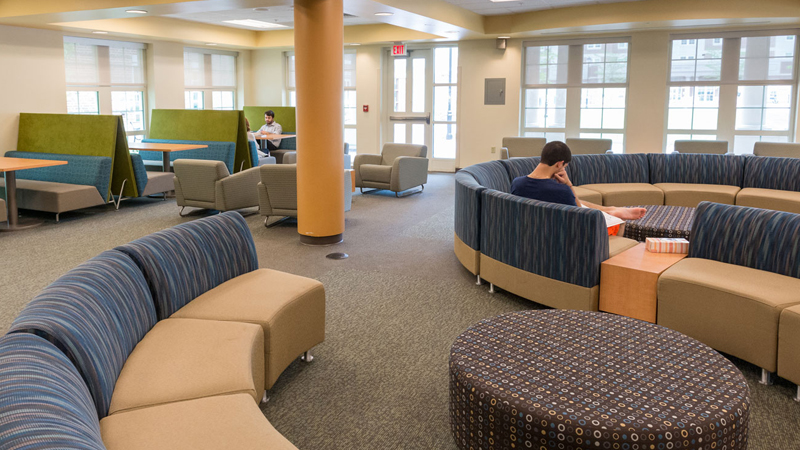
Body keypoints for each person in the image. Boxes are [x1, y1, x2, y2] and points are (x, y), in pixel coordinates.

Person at [510, 141, 646, 220]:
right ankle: (610, 214)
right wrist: (568, 184)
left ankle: (609, 209)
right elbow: (581, 215)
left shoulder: (517, 183)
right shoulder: (561, 190)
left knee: (575, 200)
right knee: (620, 223)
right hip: (562, 234)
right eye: (564, 167)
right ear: (559, 164)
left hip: (532, 227)